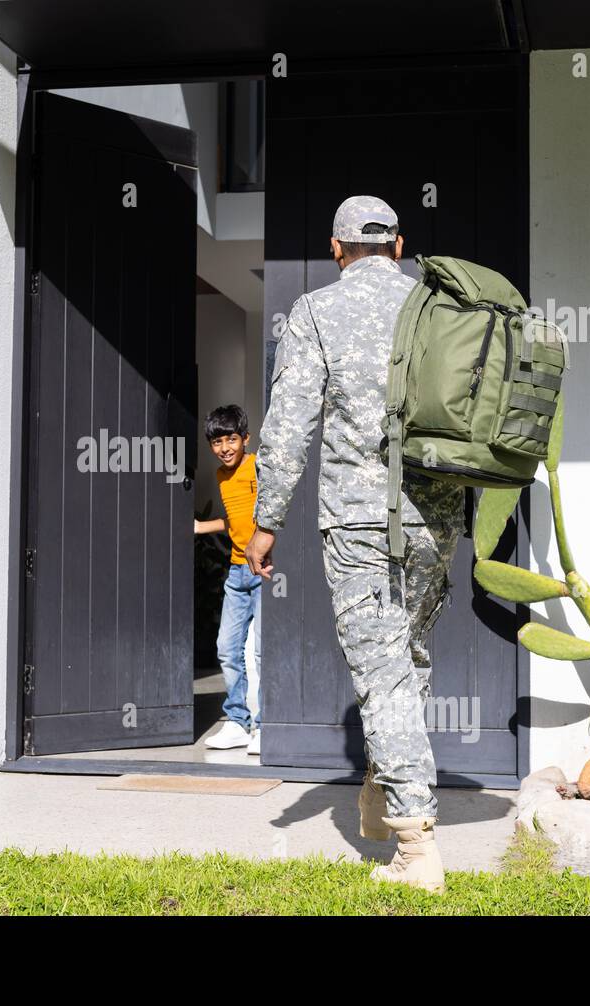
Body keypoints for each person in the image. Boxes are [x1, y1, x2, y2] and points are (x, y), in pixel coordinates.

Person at [244, 196, 463, 893]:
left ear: (337, 250)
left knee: (384, 674)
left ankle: (415, 846)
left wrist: (265, 520)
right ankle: (380, 794)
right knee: (409, 658)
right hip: (437, 522)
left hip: (362, 525)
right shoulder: (438, 310)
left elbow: (286, 429)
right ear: (400, 246)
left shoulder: (315, 312)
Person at [194, 404, 262, 756]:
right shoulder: (222, 477)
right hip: (237, 572)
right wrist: (201, 526)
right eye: (217, 441)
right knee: (227, 648)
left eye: (232, 439)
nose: (225, 447)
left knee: (262, 651)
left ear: (245, 439)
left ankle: (265, 726)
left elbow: (270, 514)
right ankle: (237, 722)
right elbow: (234, 521)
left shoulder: (257, 467)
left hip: (264, 570)